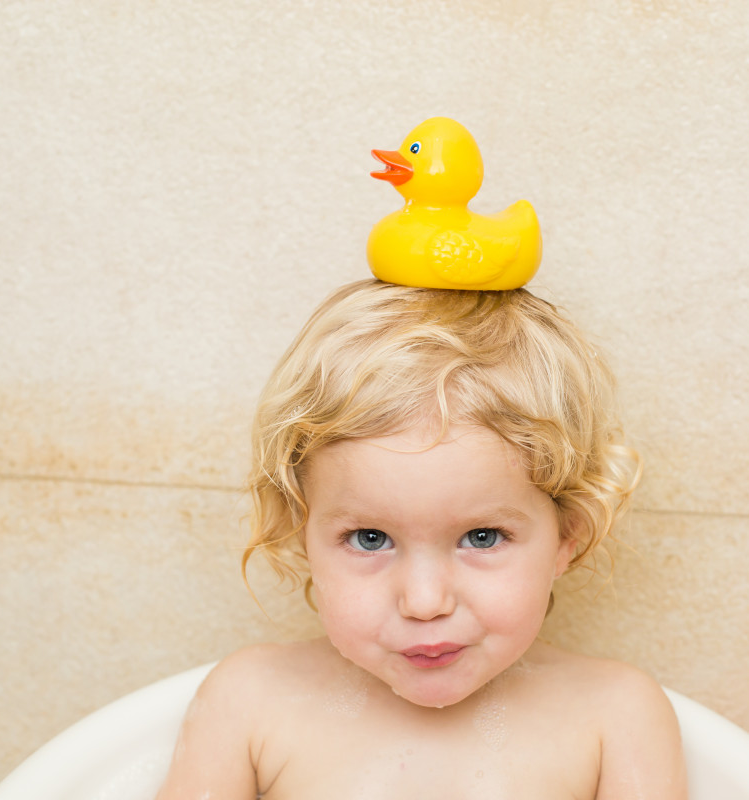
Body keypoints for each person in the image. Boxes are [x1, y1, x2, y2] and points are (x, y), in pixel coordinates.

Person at [155, 279, 686, 799]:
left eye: (481, 537)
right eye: (369, 538)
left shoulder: (615, 718)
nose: (425, 602)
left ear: (567, 535)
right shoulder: (249, 703)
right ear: (300, 530)